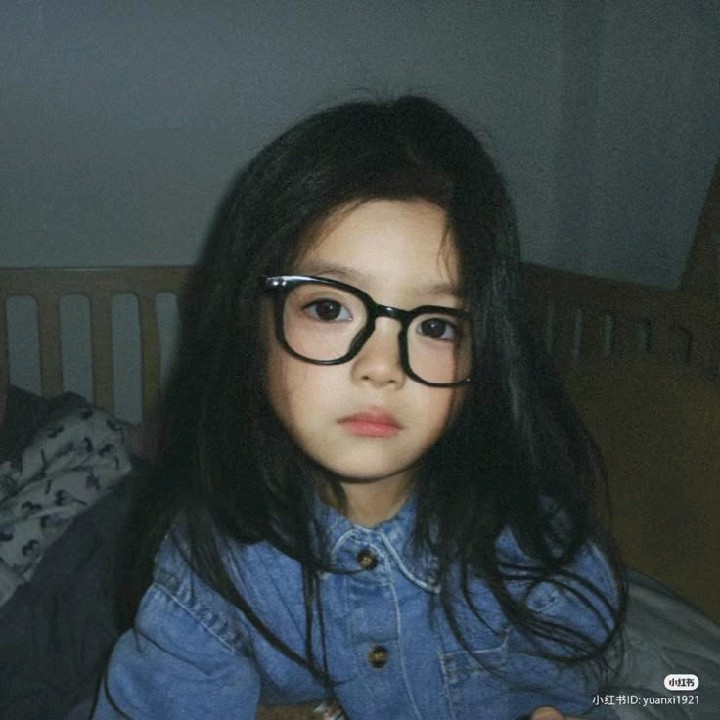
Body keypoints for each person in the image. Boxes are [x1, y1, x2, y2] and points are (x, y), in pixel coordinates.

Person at [93, 96, 625, 719]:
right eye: (329, 308)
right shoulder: (210, 571)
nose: (382, 365)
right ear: (252, 326)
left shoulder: (535, 553)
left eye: (435, 325)